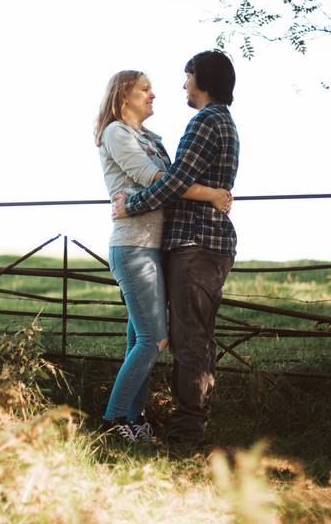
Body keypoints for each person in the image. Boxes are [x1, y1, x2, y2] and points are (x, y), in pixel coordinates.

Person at [95, 69, 232, 443]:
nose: (154, 95)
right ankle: (112, 419)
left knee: (138, 339)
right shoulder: (116, 133)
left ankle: (133, 419)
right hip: (133, 246)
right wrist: (213, 194)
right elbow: (157, 180)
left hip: (152, 247)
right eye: (145, 89)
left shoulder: (149, 137)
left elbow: (171, 180)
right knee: (154, 339)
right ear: (124, 95)